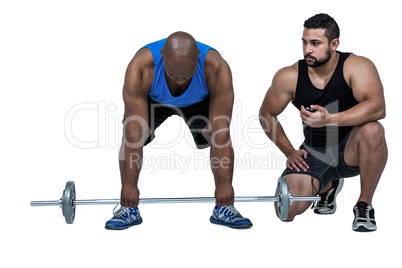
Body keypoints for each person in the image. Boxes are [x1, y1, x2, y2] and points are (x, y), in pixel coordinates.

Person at [105, 31, 252, 230]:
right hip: (154, 98)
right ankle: (128, 210)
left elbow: (221, 132)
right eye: (173, 75)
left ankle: (223, 208)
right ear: (163, 56)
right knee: (135, 133)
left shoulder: (217, 69)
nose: (181, 81)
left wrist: (225, 184)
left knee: (215, 134)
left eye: (187, 76)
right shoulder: (140, 67)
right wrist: (129, 186)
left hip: (199, 100)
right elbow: (133, 132)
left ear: (198, 56)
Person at [259, 13, 387, 232]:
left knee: (374, 129)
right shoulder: (289, 76)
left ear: (334, 44)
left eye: (315, 43)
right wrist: (289, 152)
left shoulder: (356, 66)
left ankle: (364, 204)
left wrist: (330, 118)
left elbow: (378, 107)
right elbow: (266, 115)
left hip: (351, 150)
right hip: (314, 153)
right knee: (286, 210)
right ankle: (327, 186)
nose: (308, 49)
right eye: (305, 42)